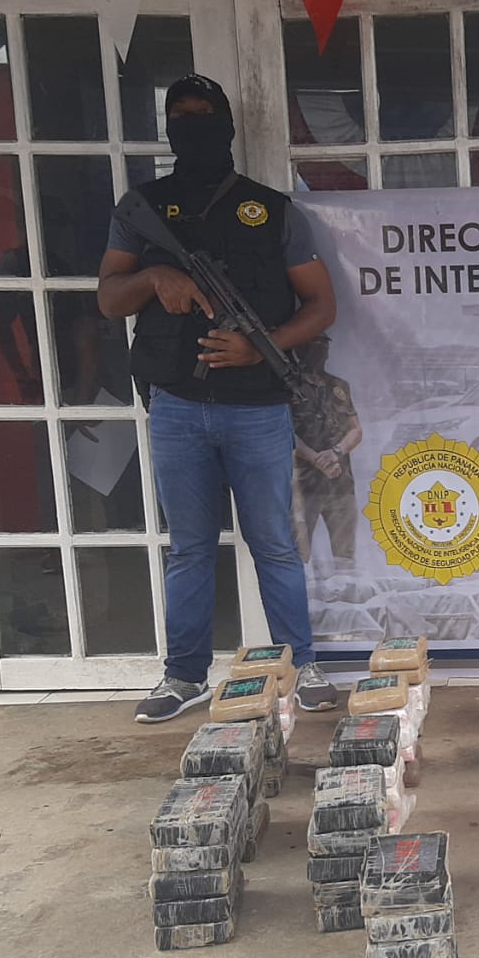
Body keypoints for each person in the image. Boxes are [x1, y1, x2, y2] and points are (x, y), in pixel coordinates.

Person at [98, 73, 339, 722]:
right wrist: (155, 275)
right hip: (177, 405)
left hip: (258, 407)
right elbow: (109, 297)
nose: (193, 125)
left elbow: (322, 306)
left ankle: (302, 665)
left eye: (204, 115)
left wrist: (261, 348)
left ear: (227, 125)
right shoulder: (143, 206)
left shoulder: (271, 210)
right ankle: (184, 676)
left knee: (275, 544)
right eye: (181, 115)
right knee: (191, 549)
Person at [291, 333, 362, 563]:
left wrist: (336, 452)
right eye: (314, 344)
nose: (321, 350)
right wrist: (316, 459)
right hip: (303, 484)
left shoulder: (338, 386)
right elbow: (283, 434)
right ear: (300, 349)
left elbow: (356, 430)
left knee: (345, 555)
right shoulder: (288, 385)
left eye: (324, 345)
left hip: (340, 483)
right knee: (298, 554)